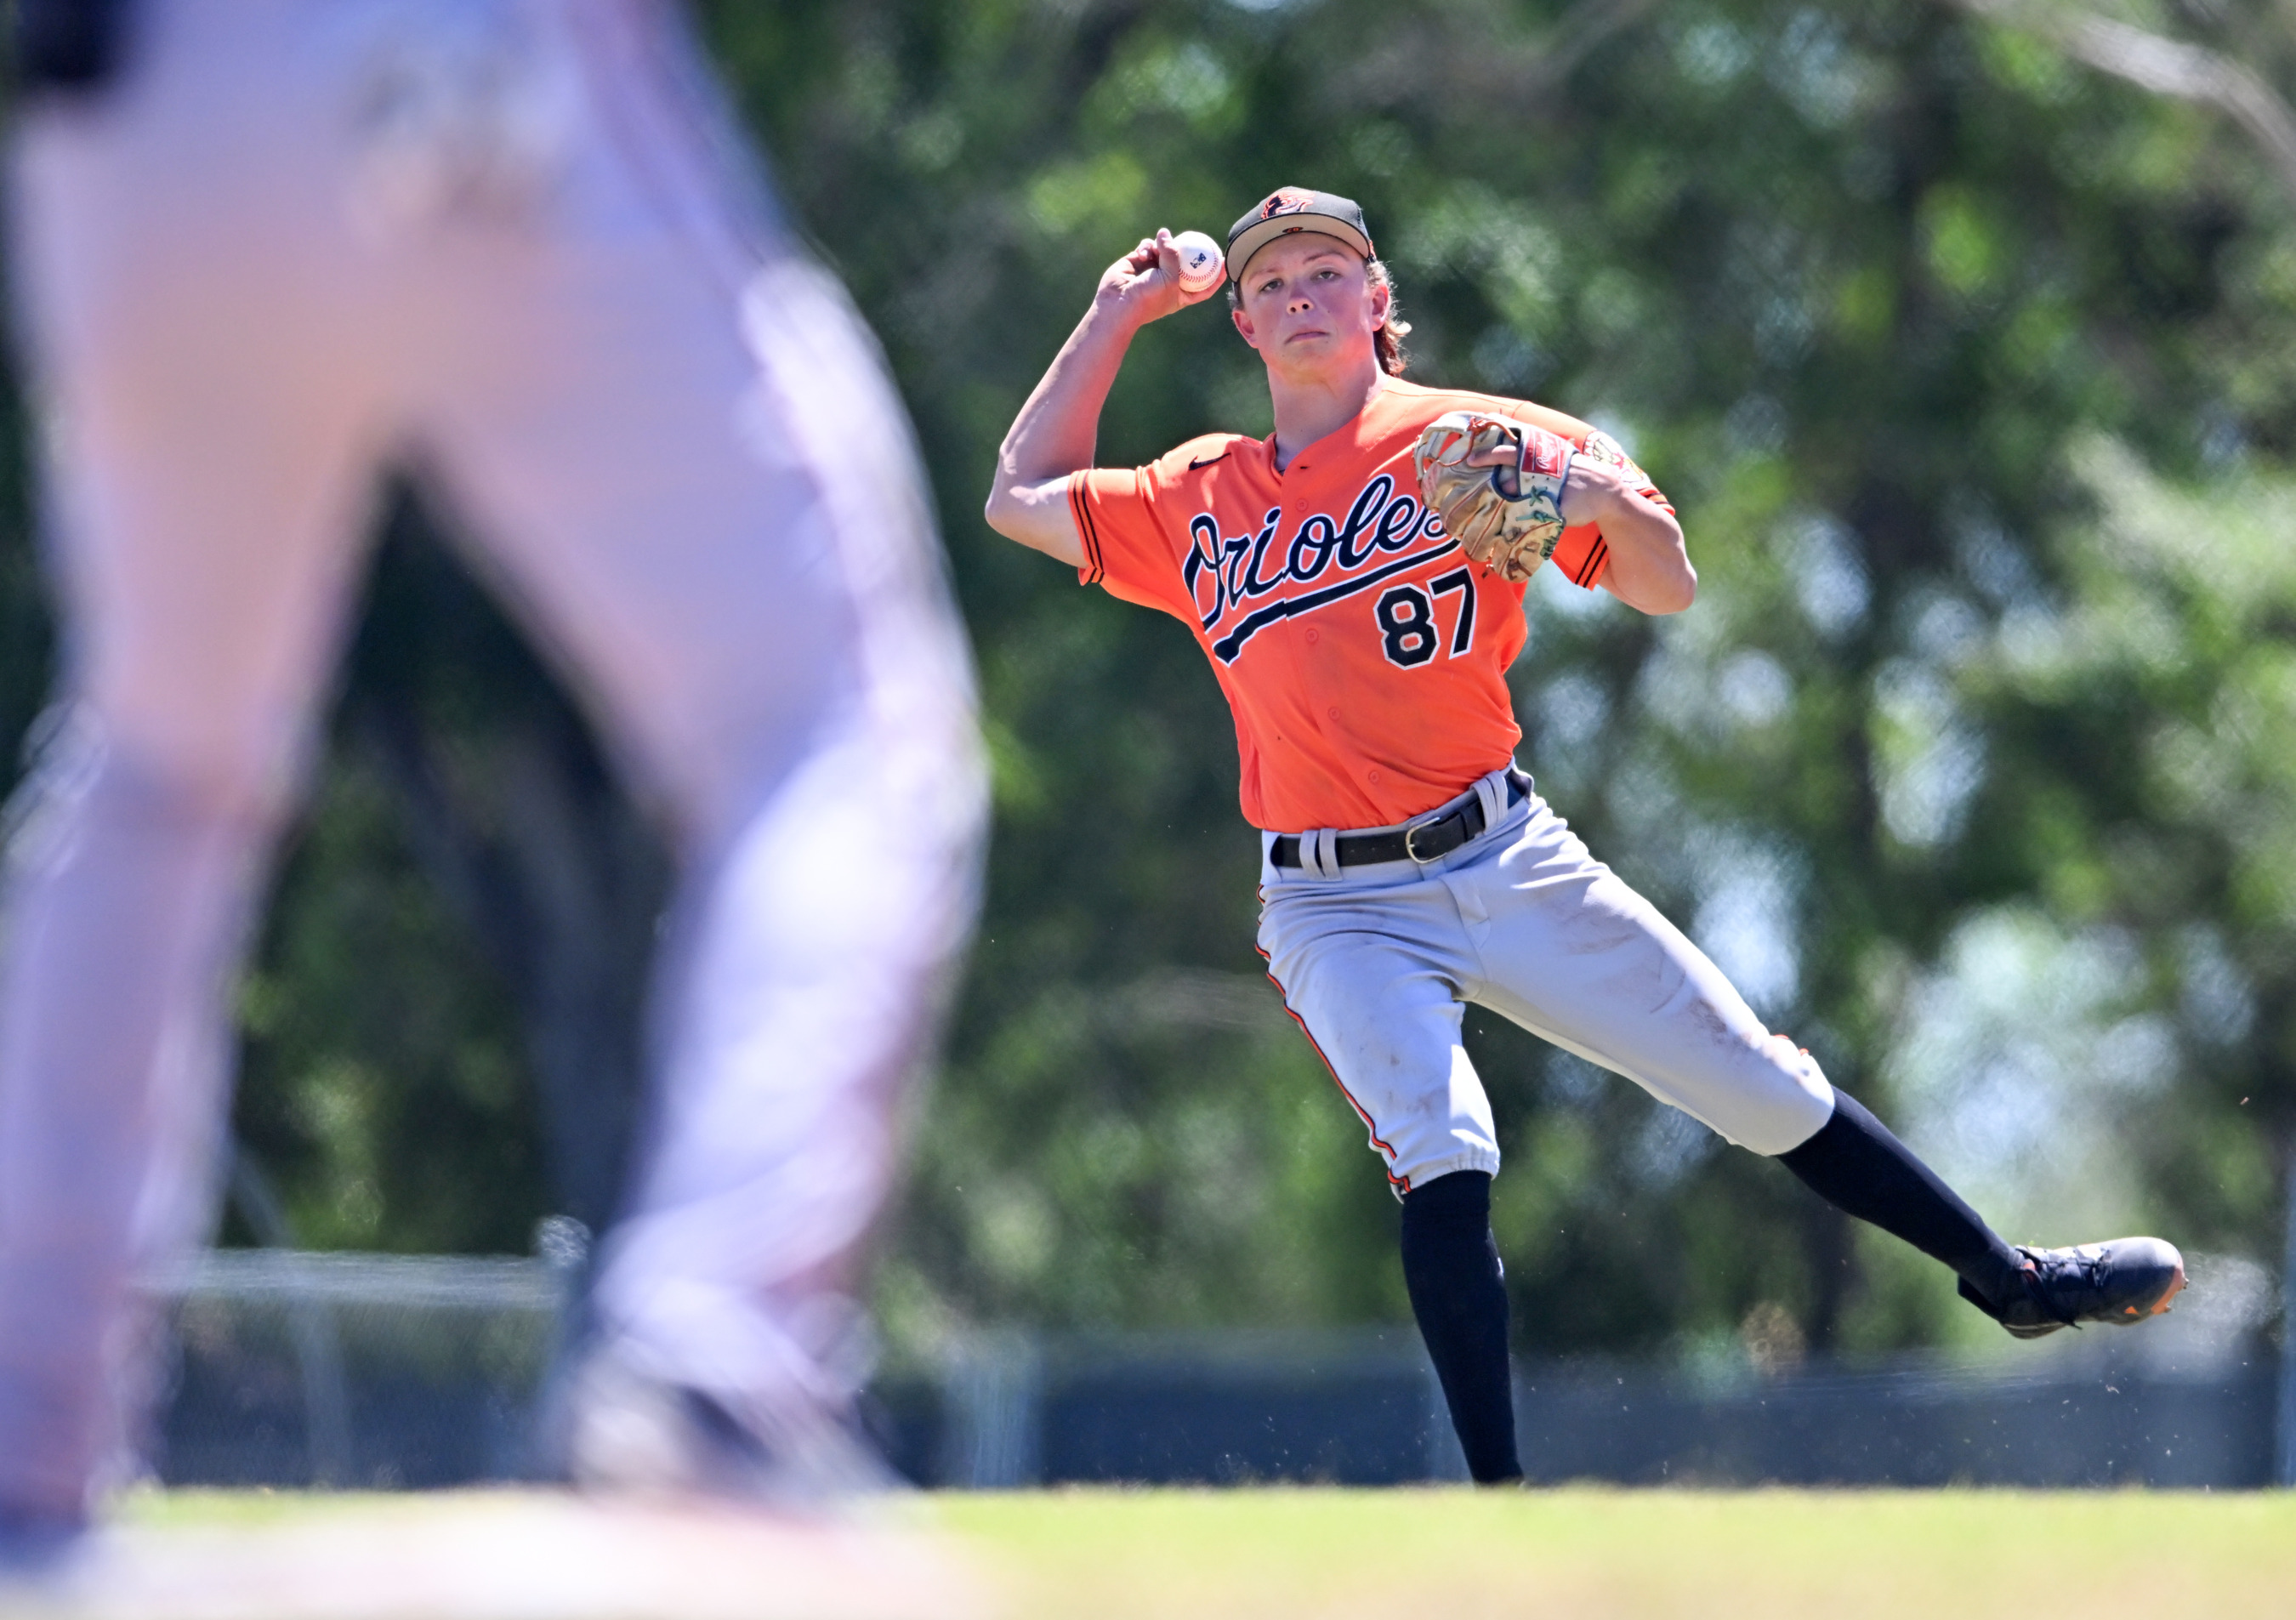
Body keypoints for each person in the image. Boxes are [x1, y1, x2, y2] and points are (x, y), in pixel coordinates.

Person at [983, 186, 2184, 1485]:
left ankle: (2007, 1275)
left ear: (1379, 305)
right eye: (1269, 286)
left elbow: (1668, 583)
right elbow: (1019, 494)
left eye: (1326, 271)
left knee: (1757, 1081)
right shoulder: (1200, 492)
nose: (1298, 297)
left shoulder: (1474, 441)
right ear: (1246, 333)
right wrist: (1114, 313)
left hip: (1504, 853)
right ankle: (1505, 1508)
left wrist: (1598, 497)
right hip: (1335, 902)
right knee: (1443, 1139)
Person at [0, 0, 985, 1551]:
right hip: (464, 69)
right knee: (826, 729)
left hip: (132, 105)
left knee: (160, 772)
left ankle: (20, 1439)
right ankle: (720, 1363)